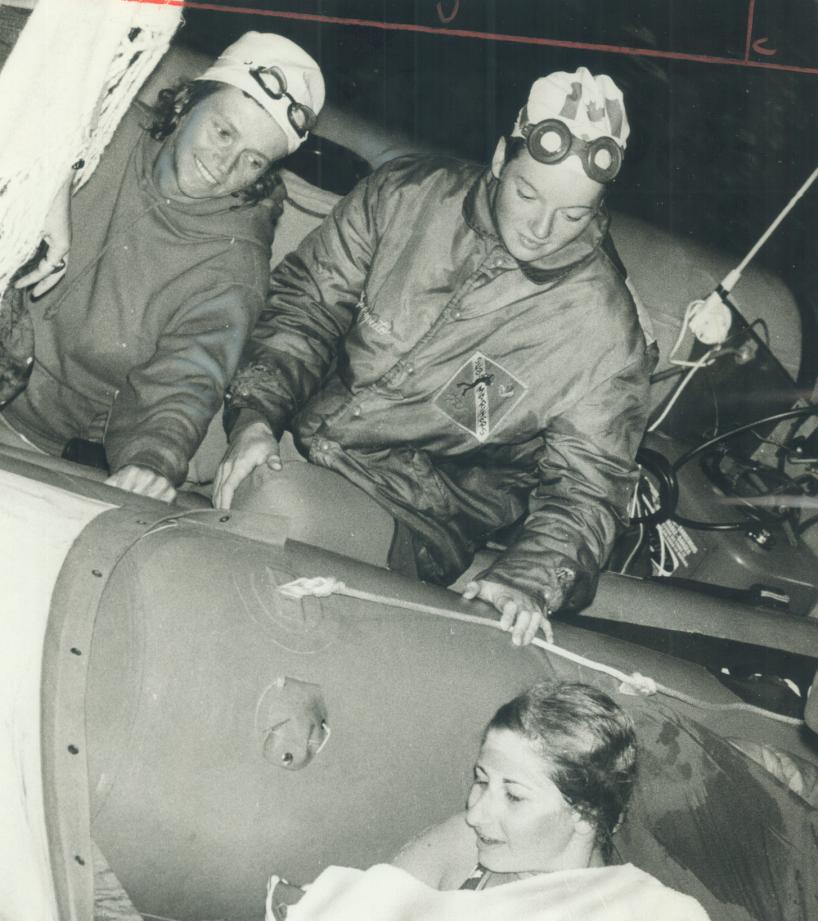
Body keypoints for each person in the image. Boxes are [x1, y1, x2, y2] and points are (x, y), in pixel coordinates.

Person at [213, 67, 656, 646]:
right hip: (298, 418)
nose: (544, 227)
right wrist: (254, 418)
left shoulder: (603, 334)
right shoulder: (407, 195)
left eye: (574, 215)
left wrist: (526, 581)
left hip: (411, 509)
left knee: (275, 506)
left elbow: (588, 488)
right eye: (527, 193)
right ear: (500, 158)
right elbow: (308, 306)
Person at [124, 681, 738, 921]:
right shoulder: (471, 842)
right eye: (480, 778)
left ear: (585, 813)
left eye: (512, 795)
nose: (478, 810)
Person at [0, 31, 325, 501]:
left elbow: (187, 378)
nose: (224, 164)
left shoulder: (233, 263)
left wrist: (151, 462)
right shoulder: (100, 128)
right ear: (190, 101)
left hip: (33, 442)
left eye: (252, 160)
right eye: (223, 132)